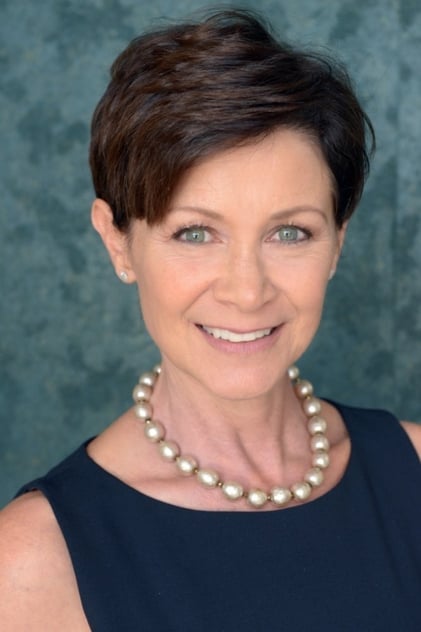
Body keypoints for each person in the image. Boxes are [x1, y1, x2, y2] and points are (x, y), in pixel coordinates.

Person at [0, 8, 420, 631]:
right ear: (118, 242)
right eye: (195, 233)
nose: (247, 292)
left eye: (290, 232)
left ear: (337, 242)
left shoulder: (415, 471)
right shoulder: (30, 562)